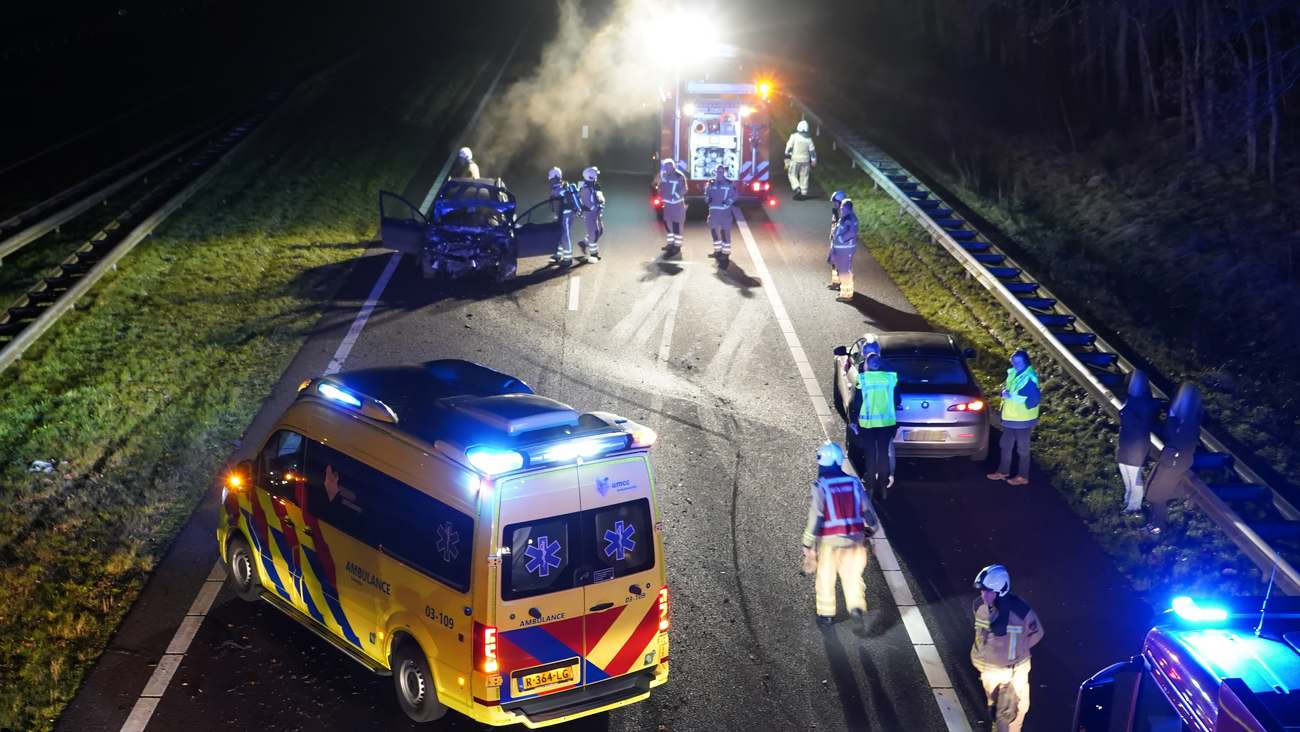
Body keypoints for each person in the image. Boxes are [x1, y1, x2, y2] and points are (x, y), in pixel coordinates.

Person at [801, 441, 879, 626]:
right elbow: (867, 511)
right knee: (852, 576)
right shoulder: (853, 483)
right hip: (855, 540)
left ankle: (826, 614)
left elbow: (817, 517)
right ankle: (856, 607)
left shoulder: (821, 485)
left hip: (830, 541)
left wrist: (807, 543)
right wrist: (872, 529)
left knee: (825, 577)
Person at [971, 564, 1044, 732]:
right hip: (1009, 669)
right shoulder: (1022, 610)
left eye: (988, 591)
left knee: (1000, 710)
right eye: (982, 591)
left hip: (993, 669)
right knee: (1015, 712)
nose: (984, 595)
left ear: (1000, 590)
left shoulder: (979, 607)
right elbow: (1035, 635)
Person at [1145, 382, 1202, 533]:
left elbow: (1182, 438)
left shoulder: (1188, 422)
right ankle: (1158, 522)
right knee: (1157, 493)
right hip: (1174, 457)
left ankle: (1159, 524)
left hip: (1175, 459)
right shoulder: (1186, 417)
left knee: (1156, 493)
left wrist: (1172, 453)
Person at [848, 351, 900, 500]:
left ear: (867, 366)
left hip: (868, 424)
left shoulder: (863, 380)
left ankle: (870, 487)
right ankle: (883, 487)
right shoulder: (890, 379)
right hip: (887, 424)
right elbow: (897, 399)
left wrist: (855, 421)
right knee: (883, 455)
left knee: (870, 455)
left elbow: (856, 403)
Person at [987, 350, 1040, 486]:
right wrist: (1004, 392)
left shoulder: (1029, 378)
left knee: (1022, 449)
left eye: (1018, 362)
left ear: (1025, 362)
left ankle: (1023, 476)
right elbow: (1009, 388)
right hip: (1010, 418)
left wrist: (1011, 397)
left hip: (1022, 420)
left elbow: (1033, 399)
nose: (1015, 364)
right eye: (1013, 362)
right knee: (1005, 445)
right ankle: (1003, 471)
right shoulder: (1012, 374)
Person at [1117, 370, 1158, 513]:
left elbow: (1138, 422)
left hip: (1137, 445)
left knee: (1134, 476)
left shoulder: (1145, 402)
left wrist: (1125, 413)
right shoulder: (1131, 398)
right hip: (1125, 441)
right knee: (1124, 470)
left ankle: (1135, 506)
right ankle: (1127, 498)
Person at [547, 167, 580, 267]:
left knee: (565, 235)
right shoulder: (562, 186)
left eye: (551, 178)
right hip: (566, 215)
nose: (550, 181)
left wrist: (557, 216)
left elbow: (557, 204)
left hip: (564, 215)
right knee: (560, 234)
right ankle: (558, 255)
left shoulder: (558, 189)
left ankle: (568, 258)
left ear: (555, 177)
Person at [704, 163, 738, 261]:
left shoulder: (730, 183)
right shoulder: (710, 183)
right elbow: (706, 194)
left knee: (724, 233)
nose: (719, 173)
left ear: (724, 172)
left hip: (724, 214)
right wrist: (707, 199)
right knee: (714, 232)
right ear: (715, 172)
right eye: (718, 172)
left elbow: (735, 195)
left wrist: (728, 202)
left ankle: (726, 253)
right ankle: (717, 251)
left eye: (721, 172)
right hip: (713, 213)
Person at [828, 198, 858, 301]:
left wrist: (840, 239)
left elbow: (852, 233)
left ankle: (846, 295)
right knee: (842, 269)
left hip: (845, 249)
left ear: (847, 208)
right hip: (841, 249)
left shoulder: (850, 218)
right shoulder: (845, 217)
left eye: (842, 208)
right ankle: (844, 291)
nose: (840, 209)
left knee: (845, 271)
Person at [658, 159, 688, 255]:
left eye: (669, 166)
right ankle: (670, 244)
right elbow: (661, 186)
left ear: (673, 166)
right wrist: (660, 193)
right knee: (668, 225)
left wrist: (675, 196)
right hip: (667, 205)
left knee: (676, 226)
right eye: (666, 166)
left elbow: (684, 189)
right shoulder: (664, 176)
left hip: (677, 205)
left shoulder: (679, 176)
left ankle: (677, 246)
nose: (667, 168)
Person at [784, 119, 817, 199]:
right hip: (806, 161)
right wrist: (814, 160)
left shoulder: (794, 136)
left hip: (795, 160)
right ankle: (803, 193)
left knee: (792, 174)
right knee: (804, 176)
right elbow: (812, 151)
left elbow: (789, 147)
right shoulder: (809, 139)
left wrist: (786, 155)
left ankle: (796, 188)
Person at [578, 166, 604, 262]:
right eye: (595, 175)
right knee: (594, 234)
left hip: (595, 213)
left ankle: (584, 243)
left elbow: (599, 199)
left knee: (599, 231)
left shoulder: (593, 186)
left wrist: (600, 204)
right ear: (591, 176)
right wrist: (597, 206)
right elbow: (589, 204)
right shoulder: (585, 188)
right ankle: (594, 255)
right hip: (590, 214)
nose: (597, 176)